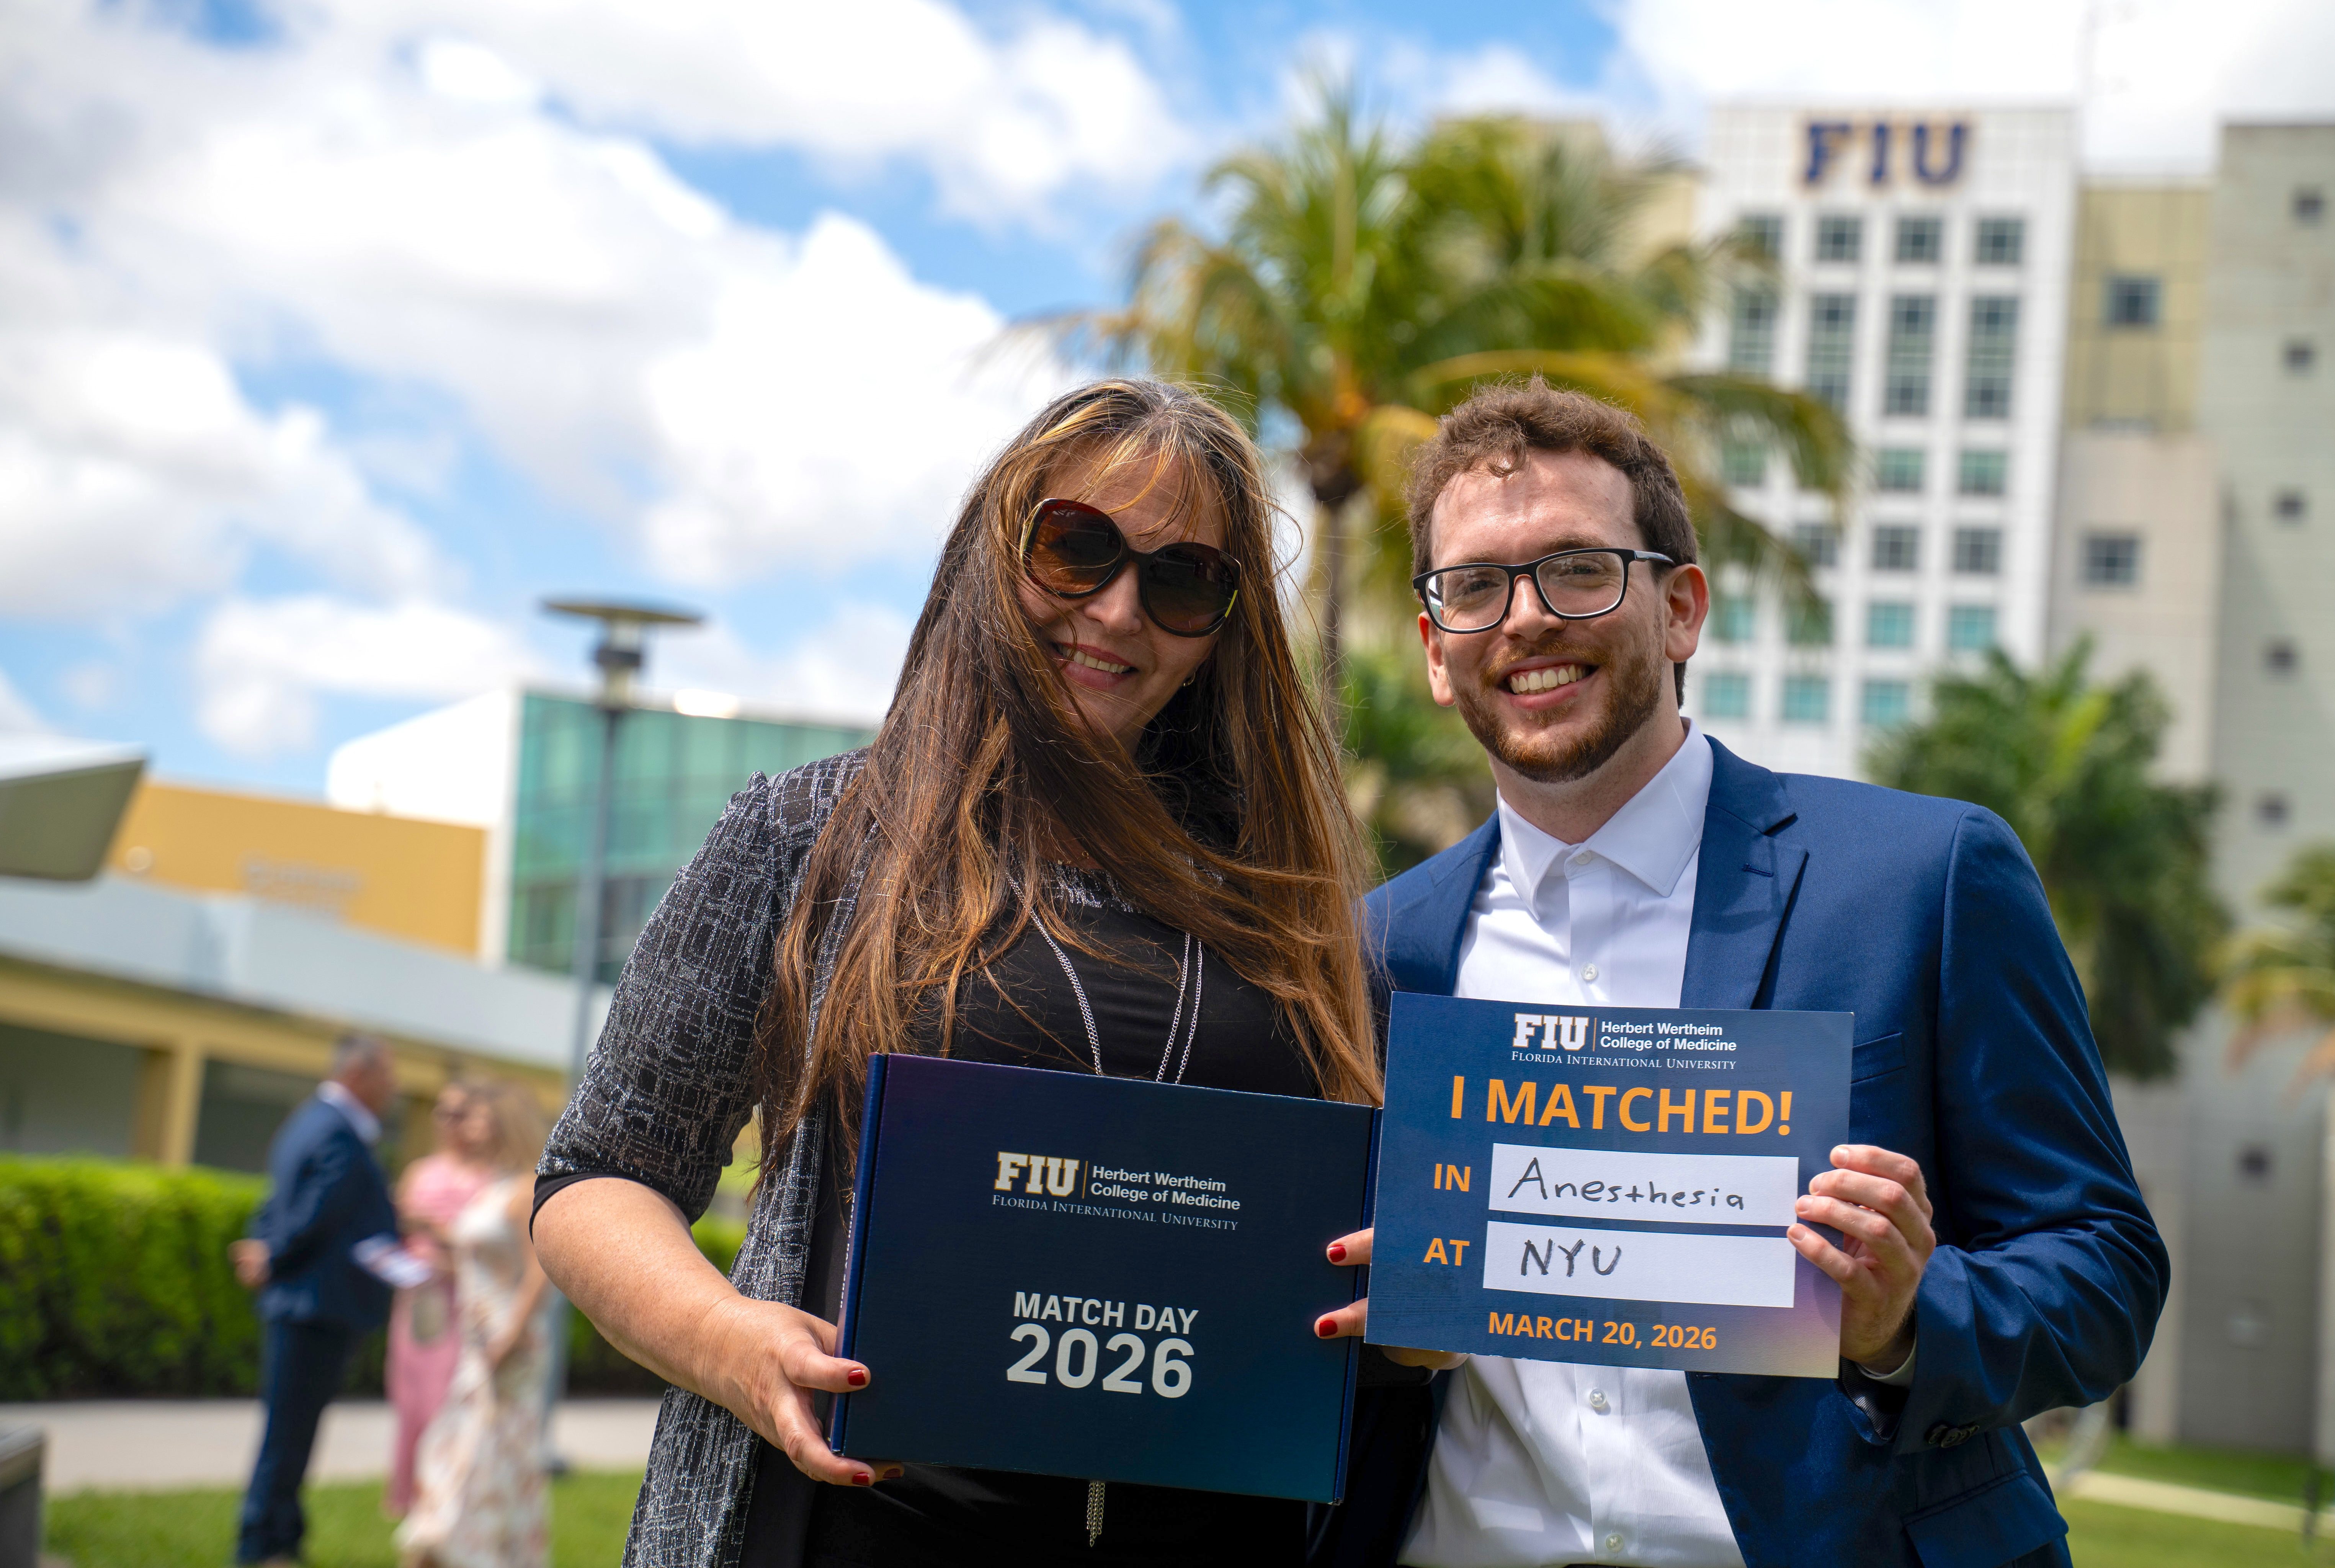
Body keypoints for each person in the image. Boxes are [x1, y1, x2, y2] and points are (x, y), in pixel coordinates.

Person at [529, 379, 1386, 1568]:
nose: (1119, 611)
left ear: (1224, 629)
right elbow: (595, 1178)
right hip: (857, 1529)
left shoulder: (1289, 907)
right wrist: (725, 1339)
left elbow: (1377, 1233)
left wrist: (1402, 1279)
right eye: (1075, 548)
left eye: (1184, 579)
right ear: (995, 550)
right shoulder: (808, 835)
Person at [1320, 377, 2167, 1567]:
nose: (1521, 619)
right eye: (1472, 586)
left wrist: (1902, 1322)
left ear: (1680, 609)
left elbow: (2103, 1267)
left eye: (1575, 567)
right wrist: (1378, 1336)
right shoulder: (1370, 951)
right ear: (1432, 649)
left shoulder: (1924, 879)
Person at [231, 1032, 404, 1568]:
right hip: (314, 1306)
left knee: (292, 1429)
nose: (394, 1088)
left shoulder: (307, 1121)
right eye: (388, 1076)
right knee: (288, 1432)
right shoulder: (338, 1131)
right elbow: (317, 1211)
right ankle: (261, 1544)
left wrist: (265, 1246)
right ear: (361, 1074)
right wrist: (275, 1255)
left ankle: (283, 1534)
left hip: (304, 1303)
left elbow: (279, 1201)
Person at [396, 1080, 554, 1568]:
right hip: (475, 1342)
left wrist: (510, 1335)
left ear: (505, 1122)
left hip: (507, 1346)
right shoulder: (494, 1186)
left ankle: (457, 1550)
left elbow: (539, 1271)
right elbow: (480, 1259)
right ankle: (450, 1549)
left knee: (484, 1460)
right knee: (461, 1455)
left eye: (481, 1118)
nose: (470, 1127)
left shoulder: (527, 1188)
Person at [386, 1082, 495, 1517]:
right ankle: (411, 1498)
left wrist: (435, 1233)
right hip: (417, 1301)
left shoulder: (490, 1179)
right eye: (443, 1113)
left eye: (460, 1113)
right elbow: (396, 1235)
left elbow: (485, 1251)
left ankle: (445, 1495)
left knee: (445, 1401)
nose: (451, 1123)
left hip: (462, 1305)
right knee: (410, 1399)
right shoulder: (420, 1171)